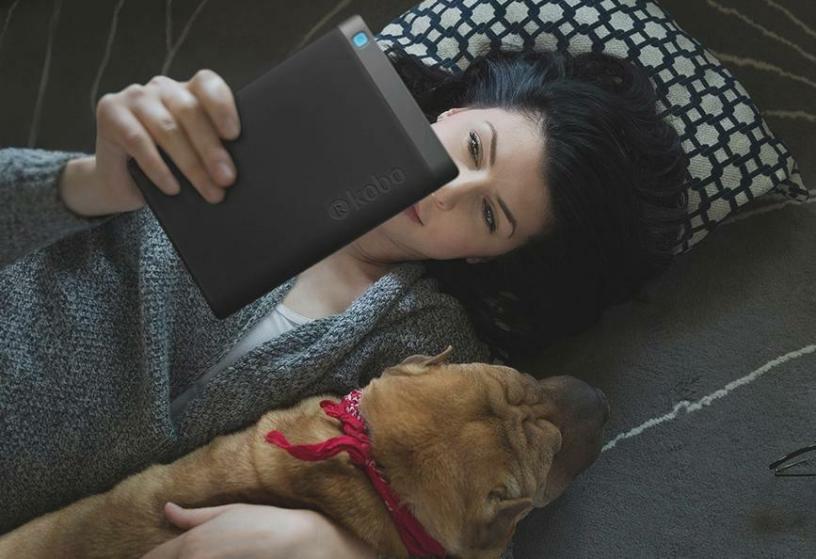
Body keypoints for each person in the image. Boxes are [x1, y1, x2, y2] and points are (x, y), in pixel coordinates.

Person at [0, 42, 688, 557]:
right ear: (452, 114)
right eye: (473, 146)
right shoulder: (264, 138)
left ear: (486, 255)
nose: (448, 190)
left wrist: (331, 545)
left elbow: (457, 524)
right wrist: (84, 184)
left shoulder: (430, 357)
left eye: (488, 215)